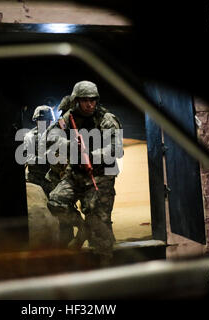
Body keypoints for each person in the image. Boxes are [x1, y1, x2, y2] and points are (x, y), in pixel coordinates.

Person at [45, 81, 123, 266]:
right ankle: (82, 229)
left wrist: (90, 155)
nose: (89, 104)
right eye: (84, 100)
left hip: (100, 177)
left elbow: (115, 149)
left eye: (92, 100)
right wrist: (69, 146)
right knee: (56, 201)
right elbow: (50, 135)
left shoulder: (107, 119)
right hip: (76, 174)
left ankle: (105, 266)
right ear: (76, 101)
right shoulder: (69, 117)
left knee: (99, 225)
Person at [24, 105, 54, 196]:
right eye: (41, 120)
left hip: (54, 177)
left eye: (47, 121)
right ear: (36, 121)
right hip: (37, 178)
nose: (44, 123)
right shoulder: (30, 136)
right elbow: (27, 158)